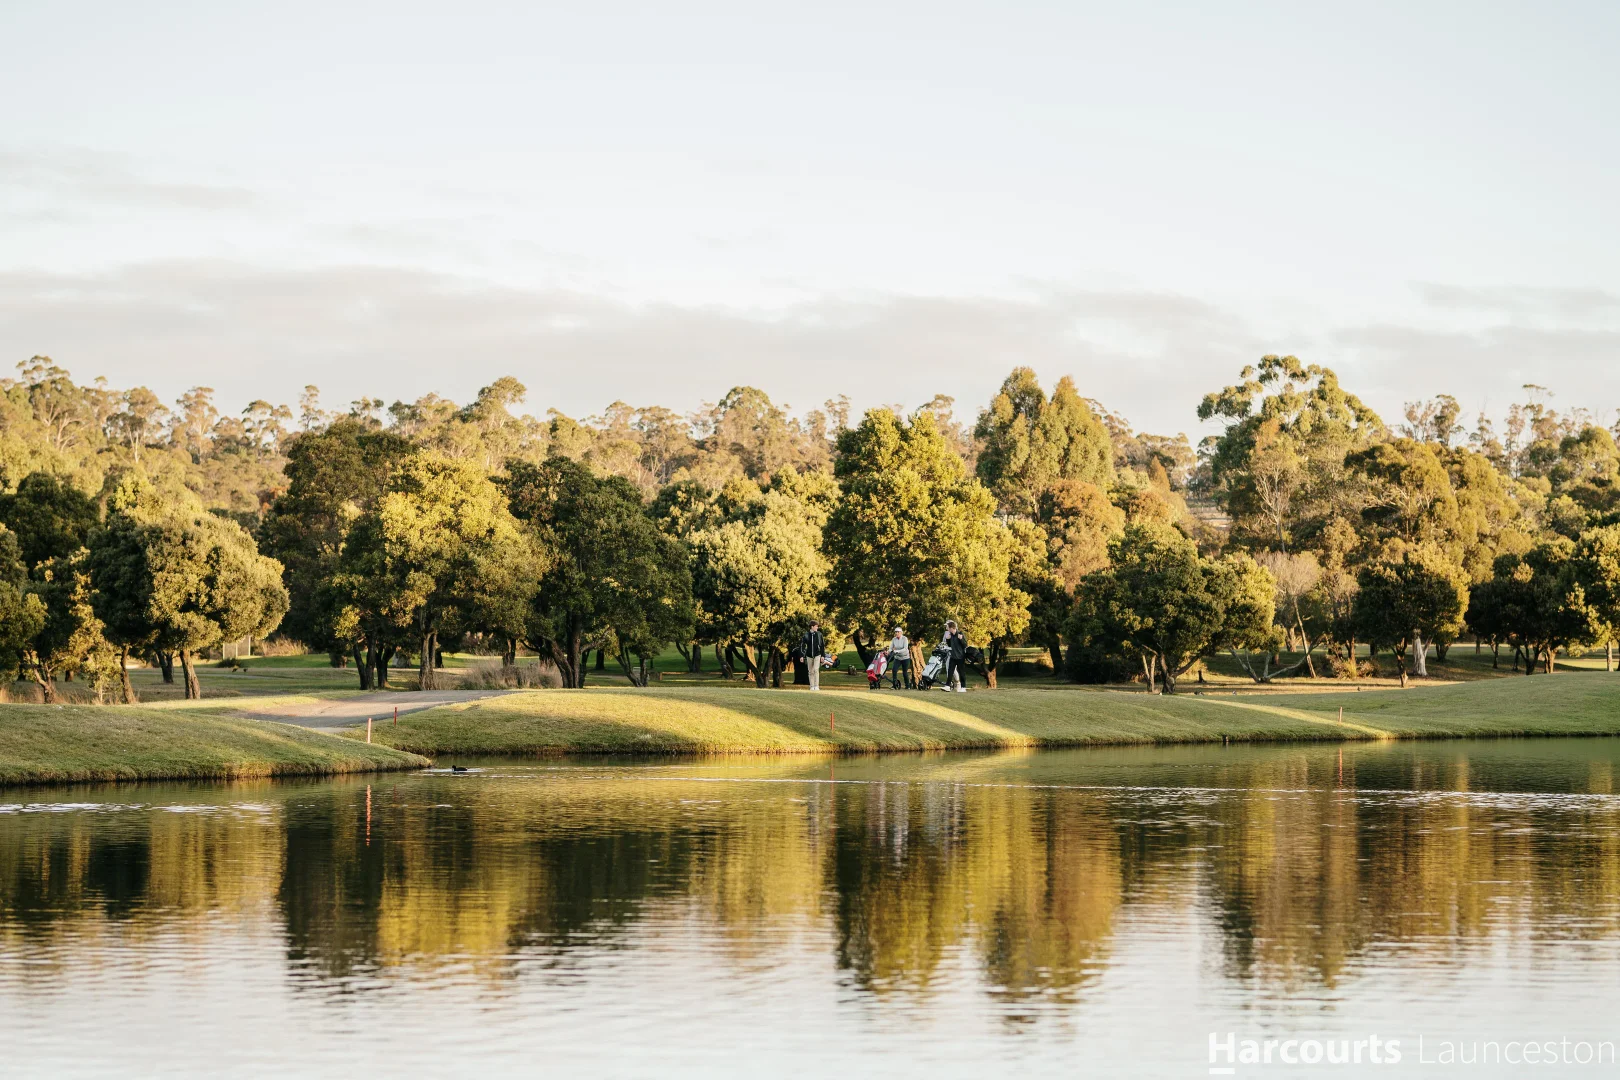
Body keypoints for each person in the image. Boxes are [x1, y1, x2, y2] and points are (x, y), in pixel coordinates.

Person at [943, 620, 968, 692]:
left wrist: (961, 639)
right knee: (950, 671)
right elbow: (950, 645)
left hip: (960, 657)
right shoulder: (951, 635)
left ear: (951, 628)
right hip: (953, 656)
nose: (947, 629)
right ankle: (947, 686)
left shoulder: (960, 633)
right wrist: (948, 640)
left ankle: (963, 687)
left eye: (948, 627)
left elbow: (965, 645)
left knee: (961, 672)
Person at [800, 620, 825, 691]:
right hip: (809, 655)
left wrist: (823, 655)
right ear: (812, 627)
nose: (817, 627)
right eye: (816, 626)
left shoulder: (819, 634)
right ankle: (812, 686)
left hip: (817, 654)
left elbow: (822, 645)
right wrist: (802, 656)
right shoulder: (806, 635)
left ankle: (816, 686)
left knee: (816, 669)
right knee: (810, 671)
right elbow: (803, 645)